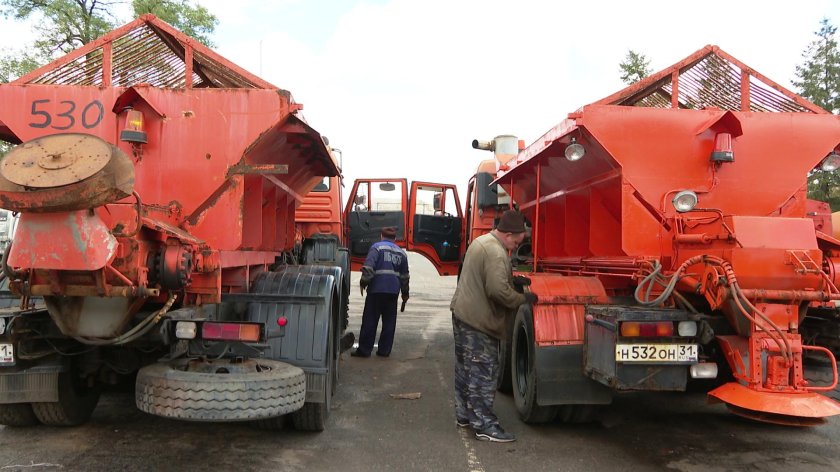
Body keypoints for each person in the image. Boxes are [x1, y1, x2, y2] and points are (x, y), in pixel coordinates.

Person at [450, 209, 537, 443]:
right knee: (483, 372)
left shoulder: (481, 242)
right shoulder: (496, 252)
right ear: (509, 234)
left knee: (465, 369)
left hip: (463, 314)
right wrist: (521, 298)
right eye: (517, 241)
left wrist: (511, 280)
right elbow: (497, 291)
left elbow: (487, 278)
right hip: (478, 321)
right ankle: (484, 425)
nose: (517, 246)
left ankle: (465, 416)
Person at [352, 226, 410, 358]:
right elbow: (405, 276)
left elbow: (368, 267)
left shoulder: (376, 248)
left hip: (376, 291)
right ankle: (384, 351)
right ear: (394, 239)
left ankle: (365, 350)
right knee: (389, 322)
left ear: (381, 236)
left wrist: (363, 282)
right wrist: (405, 293)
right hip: (392, 293)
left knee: (370, 320)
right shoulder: (401, 253)